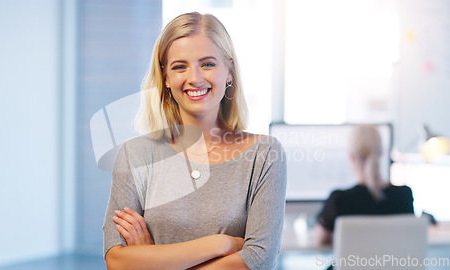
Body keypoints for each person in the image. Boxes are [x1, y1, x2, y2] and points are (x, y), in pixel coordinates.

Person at [102, 12, 287, 270]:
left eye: (208, 64)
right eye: (180, 66)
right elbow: (116, 260)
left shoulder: (264, 154)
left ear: (229, 72)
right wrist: (220, 244)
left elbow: (259, 259)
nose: (195, 78)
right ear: (165, 77)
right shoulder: (135, 155)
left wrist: (152, 259)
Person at [314, 125, 414, 246]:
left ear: (351, 156)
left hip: (351, 264)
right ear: (381, 152)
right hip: (395, 264)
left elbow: (320, 241)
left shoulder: (339, 200)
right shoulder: (404, 195)